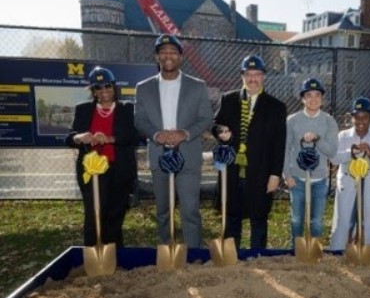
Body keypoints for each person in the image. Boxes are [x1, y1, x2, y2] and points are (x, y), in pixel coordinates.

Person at [134, 33, 213, 248]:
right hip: (159, 157)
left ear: (181, 57)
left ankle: (193, 255)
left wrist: (184, 133)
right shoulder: (143, 87)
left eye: (173, 52)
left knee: (190, 210)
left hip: (187, 156)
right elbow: (139, 119)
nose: (168, 55)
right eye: (163, 52)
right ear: (157, 57)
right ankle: (167, 252)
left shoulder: (197, 86)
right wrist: (157, 135)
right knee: (163, 211)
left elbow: (206, 117)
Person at [211, 55, 286, 249]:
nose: (253, 79)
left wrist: (275, 175)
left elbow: (279, 144)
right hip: (232, 171)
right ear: (242, 76)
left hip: (260, 172)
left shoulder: (276, 107)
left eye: (257, 74)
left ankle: (257, 258)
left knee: (258, 220)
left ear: (264, 77)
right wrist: (221, 132)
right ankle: (231, 258)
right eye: (248, 74)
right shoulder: (228, 99)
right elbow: (215, 124)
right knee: (232, 218)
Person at [65, 66, 139, 247]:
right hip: (92, 171)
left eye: (107, 86)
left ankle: (114, 255)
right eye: (98, 87)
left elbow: (134, 136)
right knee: (94, 213)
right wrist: (80, 137)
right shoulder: (83, 109)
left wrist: (110, 139)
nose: (104, 91)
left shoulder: (127, 109)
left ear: (114, 87)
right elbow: (69, 137)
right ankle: (93, 253)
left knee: (115, 214)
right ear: (93, 91)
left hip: (119, 169)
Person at [283, 78, 338, 248]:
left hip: (319, 180)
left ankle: (314, 252)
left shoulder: (329, 121)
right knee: (297, 219)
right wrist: (287, 174)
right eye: (309, 95)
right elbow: (285, 149)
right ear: (302, 98)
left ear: (322, 98)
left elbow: (331, 151)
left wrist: (317, 139)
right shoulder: (292, 120)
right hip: (297, 179)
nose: (313, 99)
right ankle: (296, 251)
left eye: (317, 95)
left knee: (316, 222)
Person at [329, 97, 370, 251]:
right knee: (346, 221)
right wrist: (351, 152)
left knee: (367, 221)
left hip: (368, 188)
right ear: (351, 118)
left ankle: (366, 250)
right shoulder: (343, 136)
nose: (361, 121)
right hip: (348, 187)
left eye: (365, 117)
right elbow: (334, 158)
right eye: (357, 117)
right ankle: (342, 250)